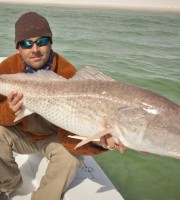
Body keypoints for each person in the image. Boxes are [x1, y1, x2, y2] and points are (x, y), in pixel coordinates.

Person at [0, 12, 126, 200]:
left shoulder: (68, 74)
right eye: (27, 43)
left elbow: (72, 128)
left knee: (71, 159)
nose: (35, 48)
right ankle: (9, 184)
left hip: (54, 137)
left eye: (42, 41)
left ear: (50, 42)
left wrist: (97, 142)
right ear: (18, 48)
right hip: (21, 135)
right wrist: (10, 111)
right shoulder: (7, 69)